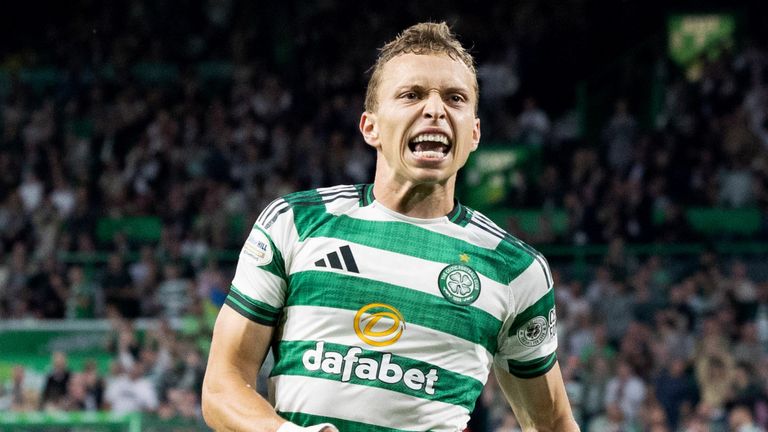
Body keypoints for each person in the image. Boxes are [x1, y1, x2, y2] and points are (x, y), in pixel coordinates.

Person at [202, 22, 578, 432]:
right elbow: (223, 387)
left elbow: (553, 423)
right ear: (371, 127)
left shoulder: (516, 270)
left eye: (455, 98)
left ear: (474, 133)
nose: (435, 110)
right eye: (411, 95)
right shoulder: (296, 223)